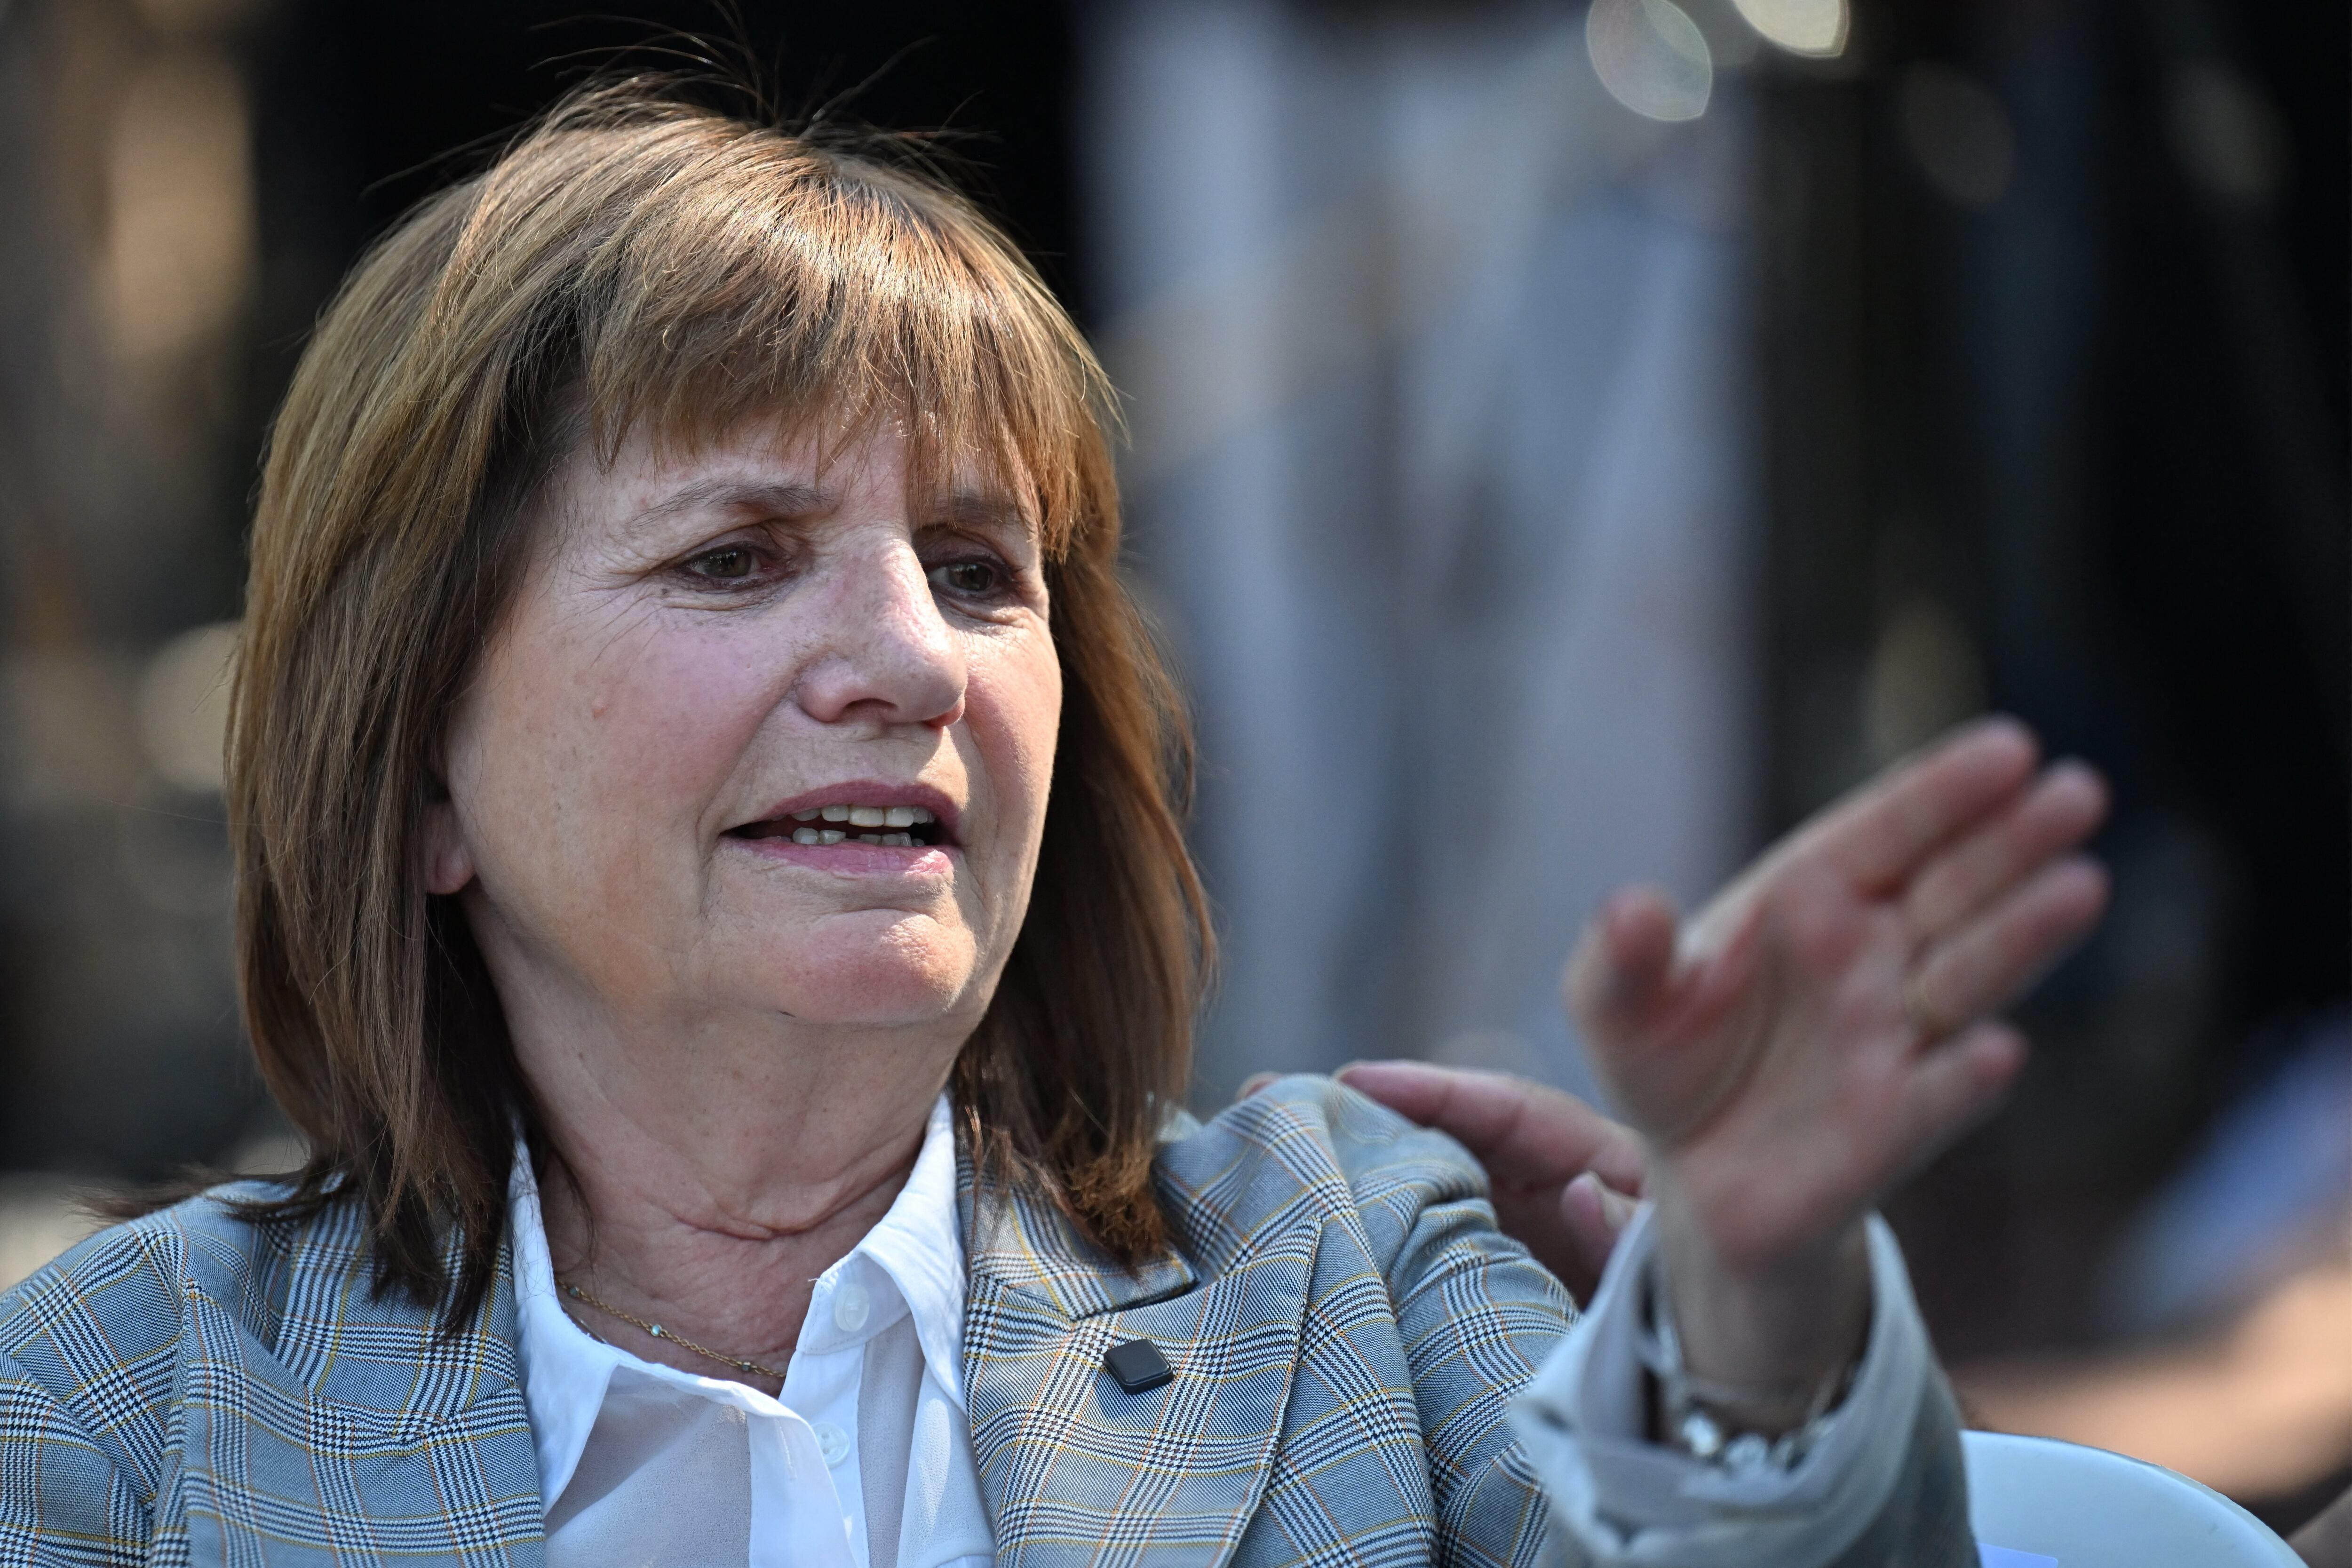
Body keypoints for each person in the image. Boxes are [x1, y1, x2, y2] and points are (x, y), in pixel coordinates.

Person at [0, 89, 2109, 1567]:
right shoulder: (123, 1403)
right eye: (737, 558)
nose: (911, 661)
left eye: (980, 568)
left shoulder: (1342, 1260)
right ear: (422, 768)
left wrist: (1749, 1305)